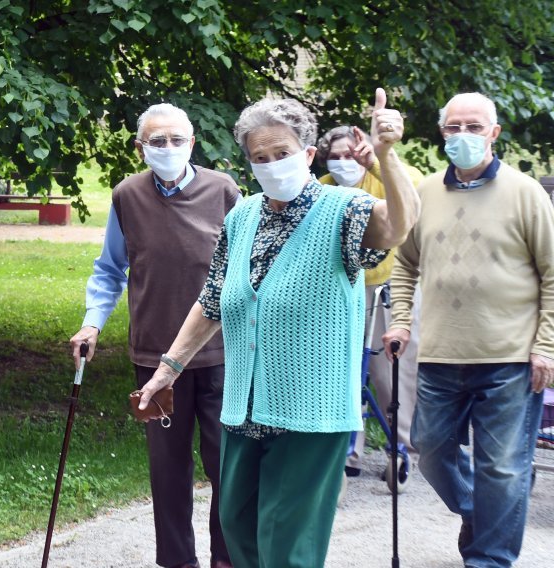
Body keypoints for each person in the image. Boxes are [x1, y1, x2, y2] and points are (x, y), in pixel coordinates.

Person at [134, 89, 419, 567]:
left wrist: (387, 157)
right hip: (244, 409)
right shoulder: (242, 216)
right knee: (240, 535)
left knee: (287, 549)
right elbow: (213, 301)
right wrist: (168, 369)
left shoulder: (343, 209)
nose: (271, 164)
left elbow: (397, 228)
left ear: (308, 154)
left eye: (281, 153)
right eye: (259, 157)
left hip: (311, 412)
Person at [383, 92, 554, 568]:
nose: (463, 136)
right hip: (440, 354)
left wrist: (546, 347)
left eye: (475, 127)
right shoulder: (426, 193)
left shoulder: (526, 193)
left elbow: (553, 273)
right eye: (454, 127)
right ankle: (483, 513)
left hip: (510, 357)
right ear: (442, 133)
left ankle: (489, 558)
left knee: (502, 467)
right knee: (431, 452)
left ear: (494, 133)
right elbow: (405, 264)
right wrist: (399, 319)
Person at [69, 103, 240, 568]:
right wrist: (92, 322)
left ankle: (228, 559)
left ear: (193, 142)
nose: (167, 149)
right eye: (157, 141)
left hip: (221, 352)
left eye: (176, 140)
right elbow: (109, 269)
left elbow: (246, 267)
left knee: (226, 466)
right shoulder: (128, 195)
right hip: (153, 355)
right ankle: (178, 562)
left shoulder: (223, 189)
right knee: (167, 472)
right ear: (140, 146)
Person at [316, 125, 425, 477]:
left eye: (350, 155)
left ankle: (402, 442)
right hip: (342, 290)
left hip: (388, 286)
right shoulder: (322, 188)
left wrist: (378, 160)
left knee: (389, 370)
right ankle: (350, 450)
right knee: (346, 369)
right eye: (335, 157)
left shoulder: (382, 177)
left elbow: (414, 192)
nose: (343, 162)